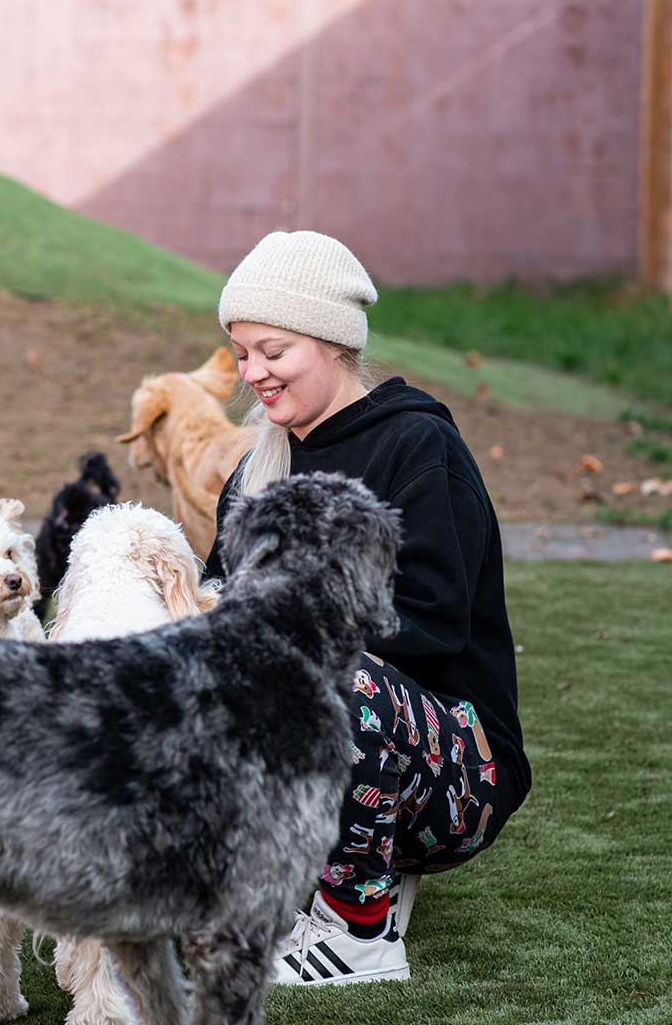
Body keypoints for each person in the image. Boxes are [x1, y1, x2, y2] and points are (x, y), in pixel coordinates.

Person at [201, 230, 530, 986]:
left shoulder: (418, 446)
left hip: (458, 773)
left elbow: (433, 620)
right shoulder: (259, 467)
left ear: (332, 341)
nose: (253, 374)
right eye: (242, 353)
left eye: (273, 351)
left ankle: (359, 935)